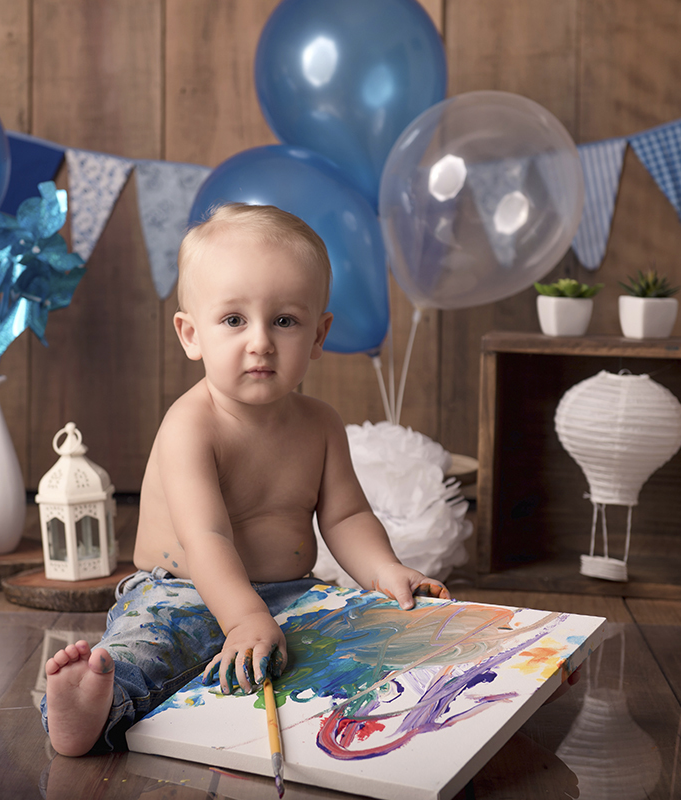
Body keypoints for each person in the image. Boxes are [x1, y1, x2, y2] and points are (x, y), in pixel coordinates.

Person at [42, 203, 449, 756]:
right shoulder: (192, 425)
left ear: (319, 334)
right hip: (182, 594)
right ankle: (85, 708)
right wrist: (244, 618)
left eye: (284, 320)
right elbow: (205, 537)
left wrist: (385, 570)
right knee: (148, 652)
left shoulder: (321, 424)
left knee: (357, 644)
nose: (260, 341)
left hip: (290, 595)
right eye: (234, 320)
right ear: (191, 334)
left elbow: (347, 516)